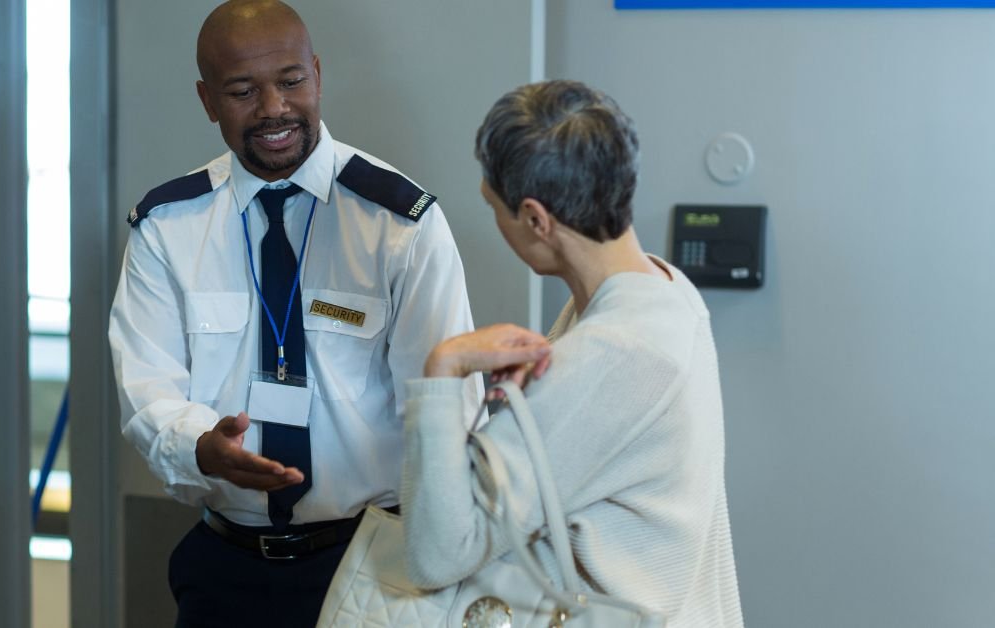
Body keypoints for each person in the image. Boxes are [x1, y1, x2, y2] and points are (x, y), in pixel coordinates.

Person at [107, 1, 480, 625]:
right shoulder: (168, 228)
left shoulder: (398, 223)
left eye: (290, 81)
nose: (273, 109)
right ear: (207, 100)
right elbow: (148, 390)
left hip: (371, 568)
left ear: (318, 74)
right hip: (224, 569)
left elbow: (445, 407)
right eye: (242, 91)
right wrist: (201, 446)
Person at [401, 80, 744, 627]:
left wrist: (443, 370)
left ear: (537, 219)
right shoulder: (666, 290)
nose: (496, 221)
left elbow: (437, 554)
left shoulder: (610, 353)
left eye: (496, 207)